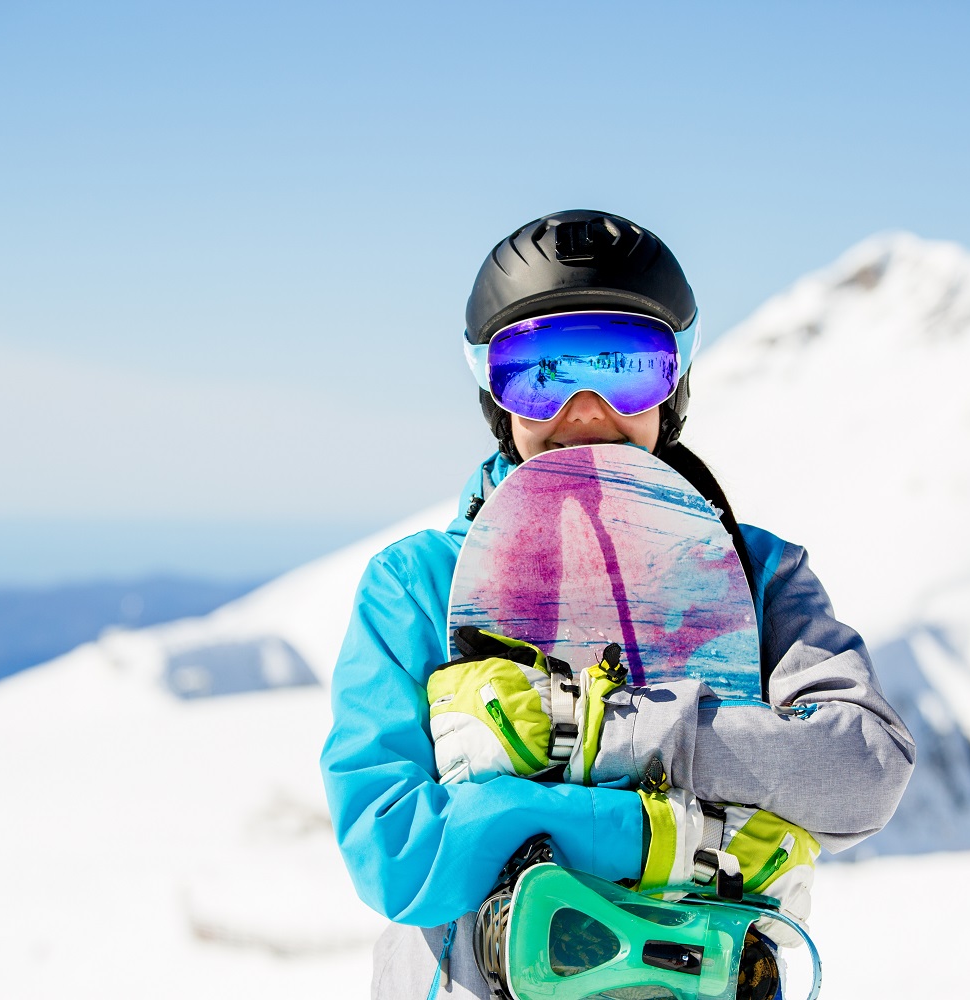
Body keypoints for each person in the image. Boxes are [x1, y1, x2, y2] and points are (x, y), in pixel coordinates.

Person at [320, 211, 915, 999]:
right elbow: (395, 848)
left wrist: (604, 737)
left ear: (675, 390)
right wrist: (693, 830)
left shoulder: (757, 573)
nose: (588, 412)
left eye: (626, 367)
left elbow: (863, 770)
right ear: (496, 398)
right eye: (541, 371)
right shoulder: (420, 586)